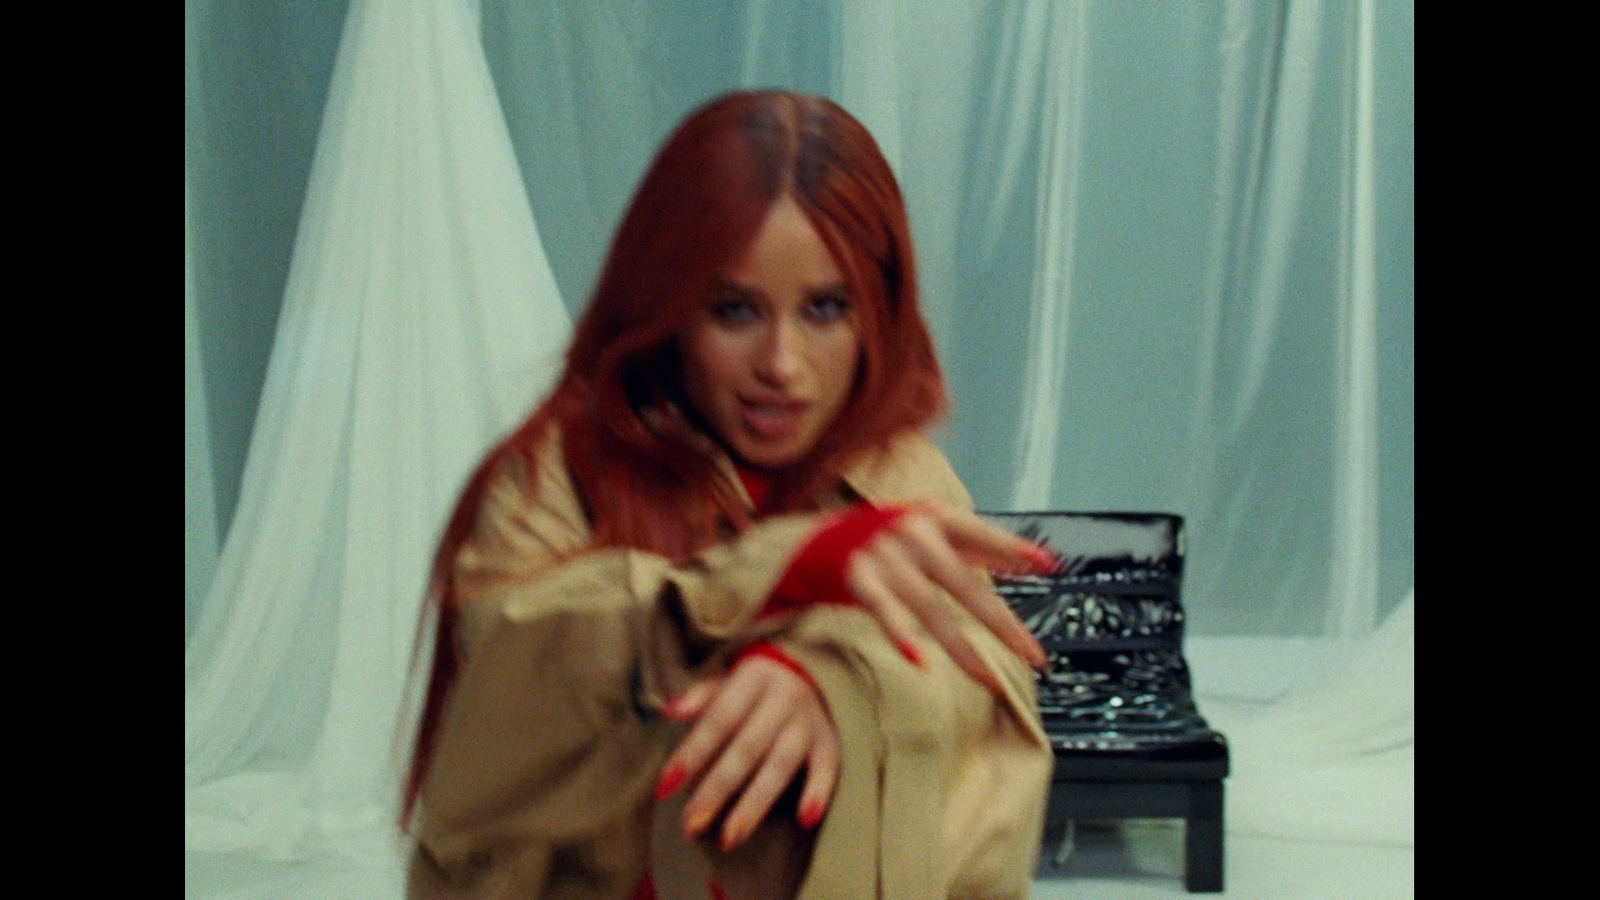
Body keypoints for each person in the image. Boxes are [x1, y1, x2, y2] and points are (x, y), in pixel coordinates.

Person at [401, 90, 1056, 900]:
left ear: (877, 311)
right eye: (735, 309)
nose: (782, 362)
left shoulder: (905, 477)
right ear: (667, 307)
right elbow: (510, 676)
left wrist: (831, 686)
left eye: (824, 307)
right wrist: (764, 580)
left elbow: (988, 699)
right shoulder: (557, 471)